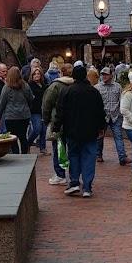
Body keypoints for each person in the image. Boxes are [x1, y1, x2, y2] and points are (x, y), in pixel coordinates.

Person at [54, 62, 106, 198]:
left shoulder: (67, 91)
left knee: (74, 155)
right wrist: (102, 127)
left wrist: (56, 126)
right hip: (90, 130)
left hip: (72, 130)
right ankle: (87, 186)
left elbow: (60, 111)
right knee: (89, 157)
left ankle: (75, 182)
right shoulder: (94, 92)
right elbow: (100, 111)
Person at [42, 63, 74, 184]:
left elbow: (46, 104)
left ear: (61, 72)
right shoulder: (76, 84)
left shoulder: (55, 86)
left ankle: (60, 175)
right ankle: (74, 175)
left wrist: (46, 120)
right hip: (73, 122)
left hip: (57, 122)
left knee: (59, 148)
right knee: (73, 149)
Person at [0, 66, 33, 154]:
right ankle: (24, 155)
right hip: (24, 115)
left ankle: (16, 154)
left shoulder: (7, 87)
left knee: (13, 138)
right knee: (23, 137)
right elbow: (30, 98)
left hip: (11, 116)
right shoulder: (25, 85)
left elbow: (2, 102)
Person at [96, 66, 127, 165]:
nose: (104, 76)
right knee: (100, 137)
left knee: (118, 136)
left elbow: (121, 100)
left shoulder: (117, 86)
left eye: (106, 74)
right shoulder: (97, 87)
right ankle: (98, 155)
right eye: (102, 74)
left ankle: (122, 157)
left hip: (115, 115)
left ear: (111, 75)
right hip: (102, 116)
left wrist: (121, 113)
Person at [26, 66, 47, 155]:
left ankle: (43, 148)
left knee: (43, 130)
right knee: (37, 129)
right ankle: (28, 143)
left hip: (43, 110)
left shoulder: (44, 84)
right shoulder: (30, 85)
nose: (37, 75)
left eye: (38, 74)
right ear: (32, 75)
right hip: (34, 110)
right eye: (35, 74)